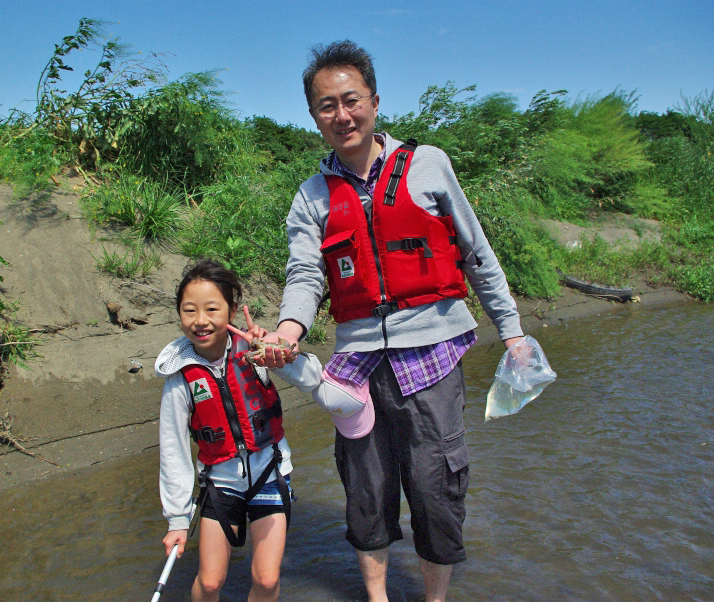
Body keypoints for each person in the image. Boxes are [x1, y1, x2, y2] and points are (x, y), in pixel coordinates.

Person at [263, 40, 525, 602]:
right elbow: (306, 275)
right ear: (314, 117)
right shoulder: (311, 197)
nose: (342, 115)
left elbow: (476, 253)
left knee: (435, 489)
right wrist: (289, 329)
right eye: (326, 106)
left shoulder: (427, 164)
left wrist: (514, 330)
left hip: (431, 356)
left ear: (375, 102)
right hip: (356, 366)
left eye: (351, 100)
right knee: (366, 490)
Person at [156, 259, 321, 602]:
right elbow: (172, 450)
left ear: (231, 311)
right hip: (221, 483)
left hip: (268, 472)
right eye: (189, 311)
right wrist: (177, 520)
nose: (200, 321)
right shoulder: (179, 378)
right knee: (212, 582)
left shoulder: (255, 349)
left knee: (266, 577)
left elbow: (311, 378)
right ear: (179, 314)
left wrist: (279, 351)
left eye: (212, 309)